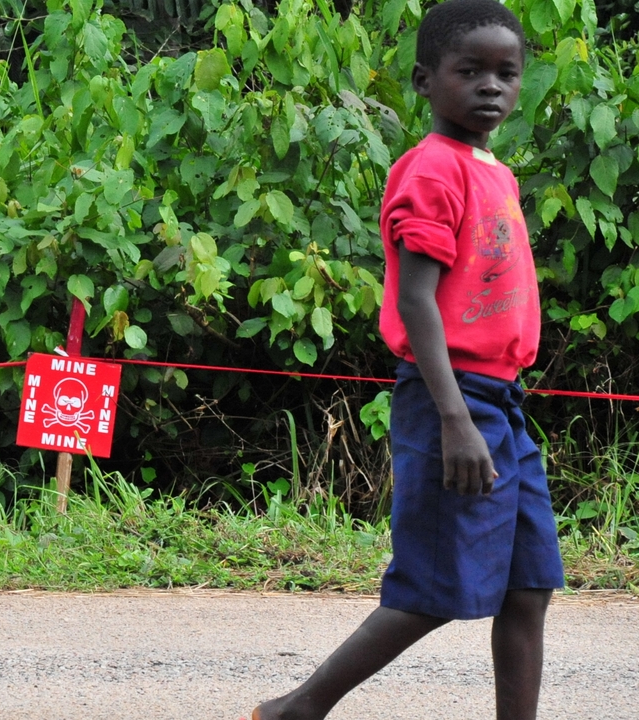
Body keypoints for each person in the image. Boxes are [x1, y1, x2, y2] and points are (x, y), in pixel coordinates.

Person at [248, 1, 563, 718]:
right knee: (431, 588)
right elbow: (417, 300)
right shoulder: (430, 170)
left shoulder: (498, 174)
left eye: (506, 74)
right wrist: (454, 418)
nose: (491, 86)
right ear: (425, 81)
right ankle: (296, 709)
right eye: (470, 71)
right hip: (451, 397)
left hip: (502, 402)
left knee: (528, 583)